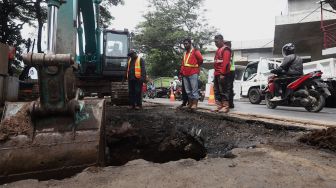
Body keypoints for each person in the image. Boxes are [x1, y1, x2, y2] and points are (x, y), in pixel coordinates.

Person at [180, 38, 203, 110]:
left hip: (193, 72)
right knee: (188, 90)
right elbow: (183, 63)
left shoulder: (195, 51)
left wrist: (196, 67)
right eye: (184, 44)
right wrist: (181, 72)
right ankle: (190, 103)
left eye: (186, 44)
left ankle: (195, 104)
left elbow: (201, 60)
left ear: (190, 44)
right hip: (185, 73)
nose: (185, 45)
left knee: (194, 89)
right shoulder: (185, 53)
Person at [213, 34, 232, 113]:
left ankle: (225, 106)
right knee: (216, 90)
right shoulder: (218, 50)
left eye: (217, 42)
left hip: (222, 74)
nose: (215, 43)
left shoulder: (226, 49)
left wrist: (222, 74)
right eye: (215, 42)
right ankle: (219, 106)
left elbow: (226, 63)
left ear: (221, 40)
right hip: (216, 73)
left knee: (223, 90)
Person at [224, 40, 235, 108]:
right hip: (230, 71)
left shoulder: (229, 51)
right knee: (229, 88)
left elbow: (228, 62)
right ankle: (230, 103)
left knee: (228, 88)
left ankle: (229, 103)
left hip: (229, 71)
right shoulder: (230, 51)